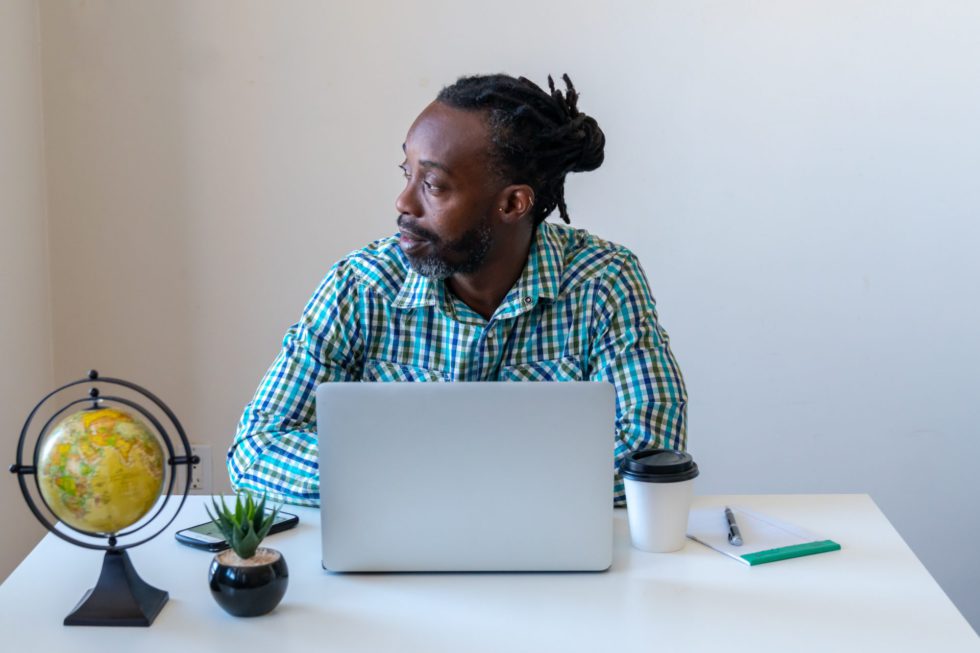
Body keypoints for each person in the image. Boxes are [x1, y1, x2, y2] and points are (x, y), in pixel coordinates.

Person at [227, 73, 687, 506]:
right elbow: (258, 447)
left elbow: (651, 449)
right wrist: (458, 486)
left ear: (512, 203)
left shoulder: (602, 282)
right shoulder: (361, 285)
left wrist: (427, 483)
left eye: (432, 184)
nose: (403, 202)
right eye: (405, 173)